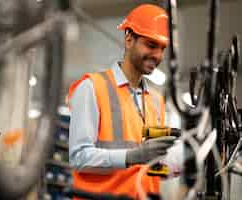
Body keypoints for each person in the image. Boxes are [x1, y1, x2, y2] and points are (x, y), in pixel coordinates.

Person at [68, 4, 181, 199]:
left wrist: (180, 164)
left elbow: (151, 168)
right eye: (151, 45)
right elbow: (78, 157)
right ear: (129, 39)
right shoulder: (92, 88)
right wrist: (131, 157)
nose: (158, 55)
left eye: (162, 48)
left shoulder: (156, 101)